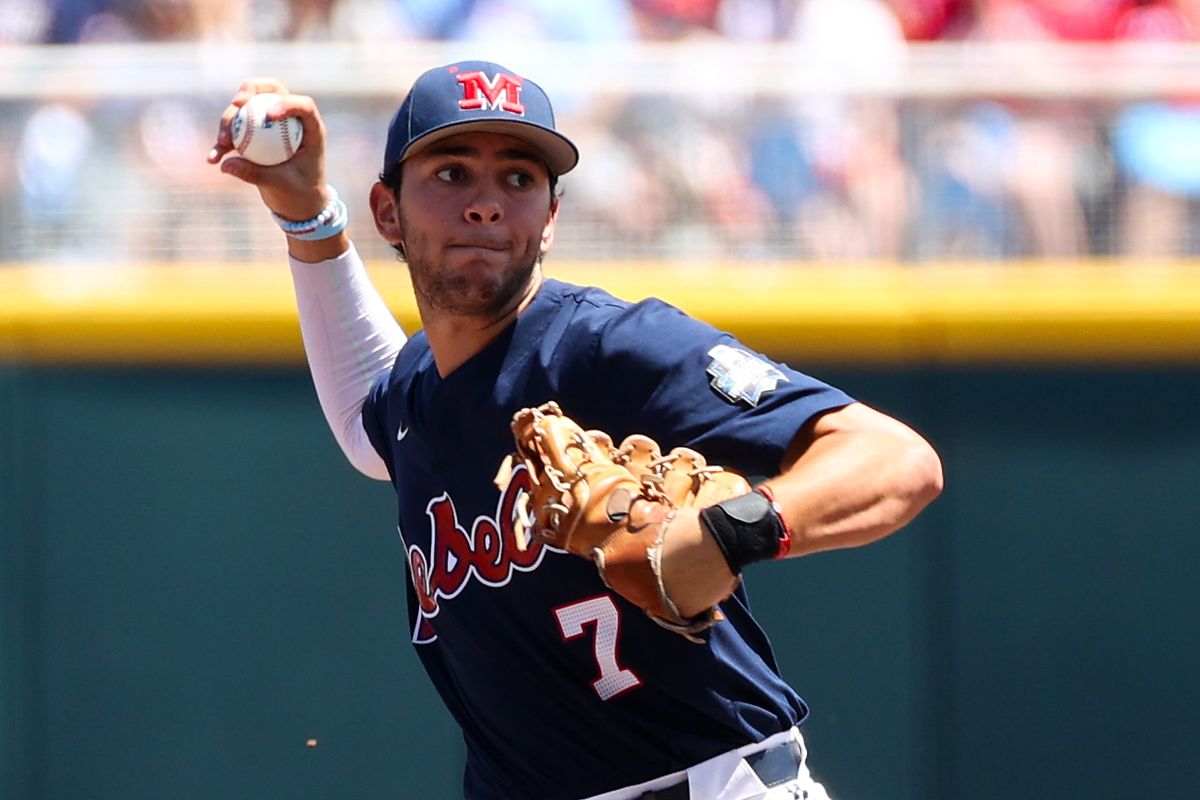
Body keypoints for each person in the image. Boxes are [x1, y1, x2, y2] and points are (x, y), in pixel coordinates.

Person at [207, 60, 943, 800]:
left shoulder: (607, 345)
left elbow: (896, 459)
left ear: (551, 219)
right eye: (452, 173)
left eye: (520, 180)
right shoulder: (415, 393)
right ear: (388, 212)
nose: (487, 205)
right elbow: (366, 414)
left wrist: (734, 532)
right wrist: (306, 214)